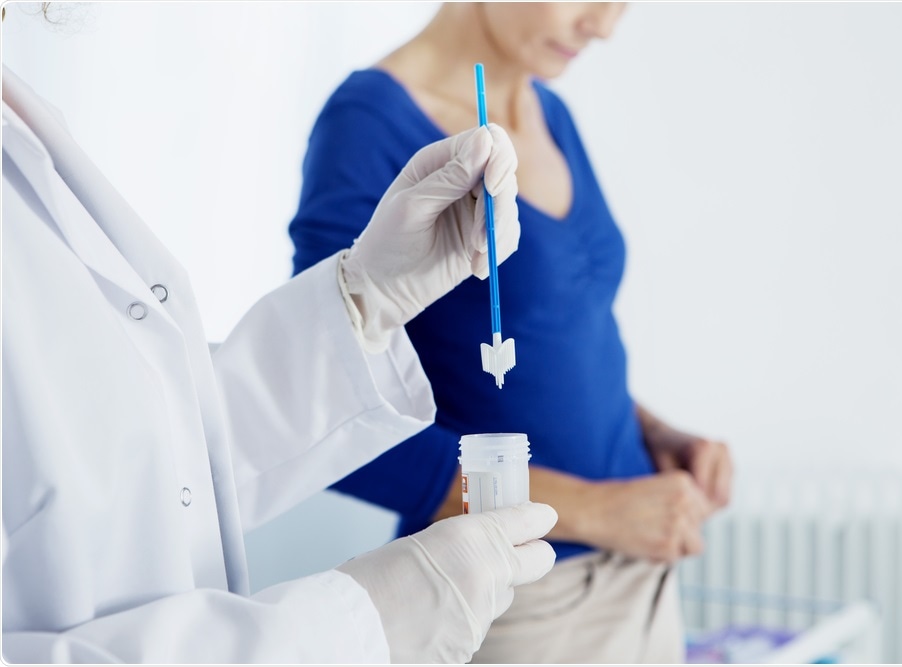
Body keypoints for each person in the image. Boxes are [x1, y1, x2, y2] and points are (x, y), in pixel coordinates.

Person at [0, 21, 560, 662]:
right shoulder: (370, 110)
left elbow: (148, 463)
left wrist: (367, 299)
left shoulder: (22, 124)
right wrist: (361, 623)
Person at [288, 2, 735, 663]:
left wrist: (648, 432)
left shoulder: (548, 112)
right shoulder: (368, 123)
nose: (603, 25)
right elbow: (326, 418)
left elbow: (556, 338)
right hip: (521, 598)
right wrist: (596, 509)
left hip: (644, 574)